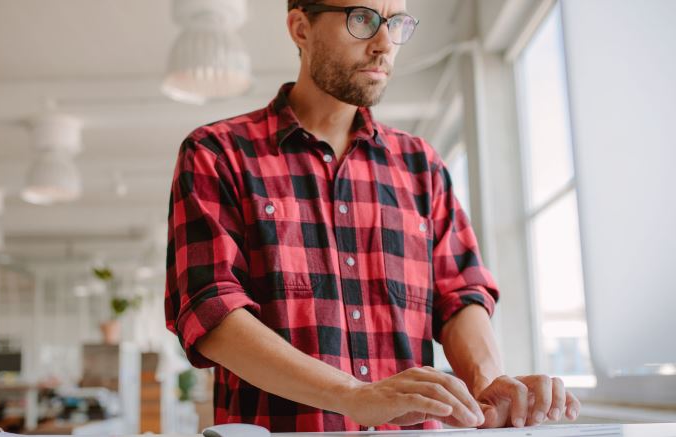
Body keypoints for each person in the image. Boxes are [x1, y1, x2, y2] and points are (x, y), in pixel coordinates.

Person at [164, 0, 581, 432]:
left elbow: (461, 293)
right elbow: (212, 312)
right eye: (361, 20)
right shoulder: (217, 155)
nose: (385, 43)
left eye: (396, 23)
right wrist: (352, 395)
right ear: (301, 28)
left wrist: (486, 382)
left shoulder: (422, 166)